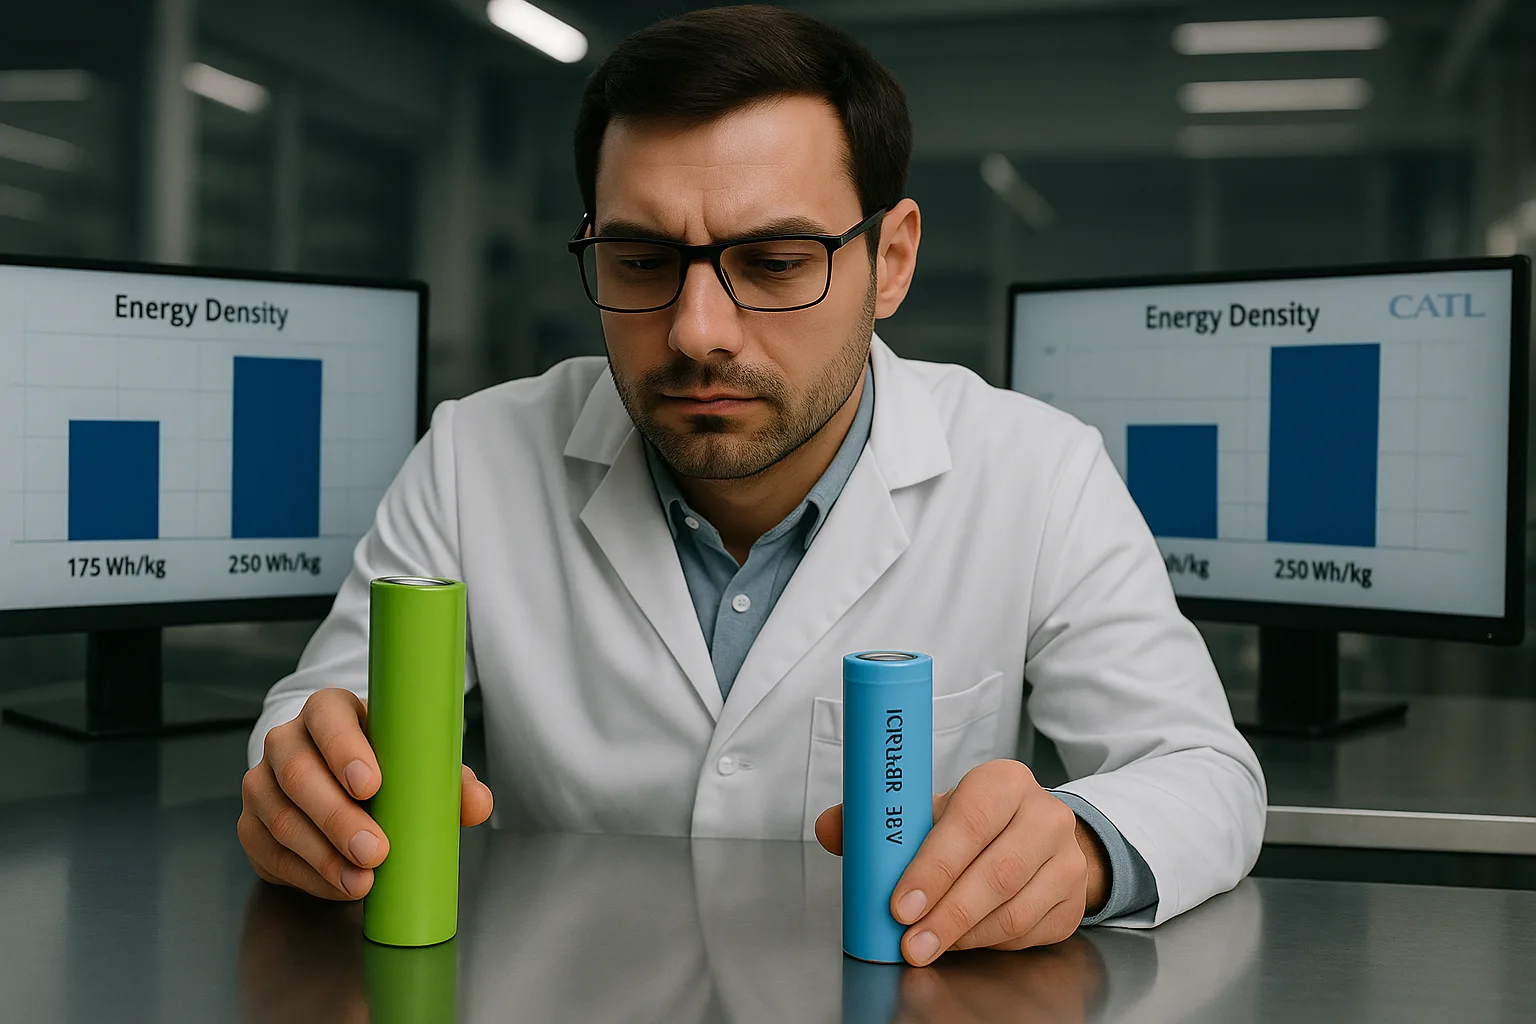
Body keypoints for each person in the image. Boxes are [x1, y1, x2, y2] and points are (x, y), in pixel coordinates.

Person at [238, 4, 1266, 966]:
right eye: (641, 260)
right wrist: (310, 782)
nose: (697, 332)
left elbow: (1203, 773)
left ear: (891, 260)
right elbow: (314, 716)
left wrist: (1079, 848)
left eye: (775, 262)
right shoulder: (475, 456)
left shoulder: (1037, 472)